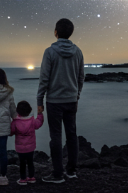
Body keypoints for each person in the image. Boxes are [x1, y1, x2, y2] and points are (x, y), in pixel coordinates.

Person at [36, 18, 83, 183]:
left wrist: (39, 100)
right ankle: (71, 171)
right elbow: (80, 77)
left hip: (54, 101)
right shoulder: (78, 51)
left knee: (55, 136)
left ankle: (57, 174)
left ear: (55, 32)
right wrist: (76, 94)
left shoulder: (50, 51)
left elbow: (44, 78)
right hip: (71, 100)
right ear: (71, 33)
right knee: (72, 134)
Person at [10, 100, 44, 185]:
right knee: (30, 162)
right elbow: (39, 124)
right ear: (29, 110)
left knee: (22, 163)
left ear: (17, 111)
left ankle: (23, 179)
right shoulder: (32, 121)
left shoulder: (15, 122)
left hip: (20, 147)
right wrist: (40, 114)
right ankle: (32, 177)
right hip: (30, 146)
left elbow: (11, 132)